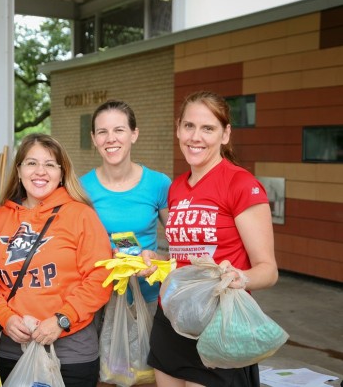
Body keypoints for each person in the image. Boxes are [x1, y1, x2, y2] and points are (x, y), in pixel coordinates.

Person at [146, 90, 278, 386]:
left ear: (225, 134)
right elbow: (185, 257)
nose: (196, 137)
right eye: (189, 126)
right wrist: (159, 261)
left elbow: (268, 270)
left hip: (218, 325)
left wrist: (239, 278)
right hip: (171, 319)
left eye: (208, 128)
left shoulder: (241, 184)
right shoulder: (177, 187)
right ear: (178, 128)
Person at [0, 133, 113, 387]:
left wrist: (61, 319)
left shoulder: (81, 215)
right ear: (19, 169)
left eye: (49, 164)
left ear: (61, 172)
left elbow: (100, 277)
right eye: (31, 163)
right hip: (12, 351)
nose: (40, 172)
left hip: (71, 353)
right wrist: (4, 316)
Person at [81, 99, 171, 311]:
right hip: (99, 300)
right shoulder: (80, 188)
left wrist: (159, 259)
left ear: (134, 134)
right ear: (94, 138)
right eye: (102, 132)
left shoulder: (159, 183)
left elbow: (180, 243)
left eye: (119, 130)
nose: (110, 139)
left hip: (149, 296)